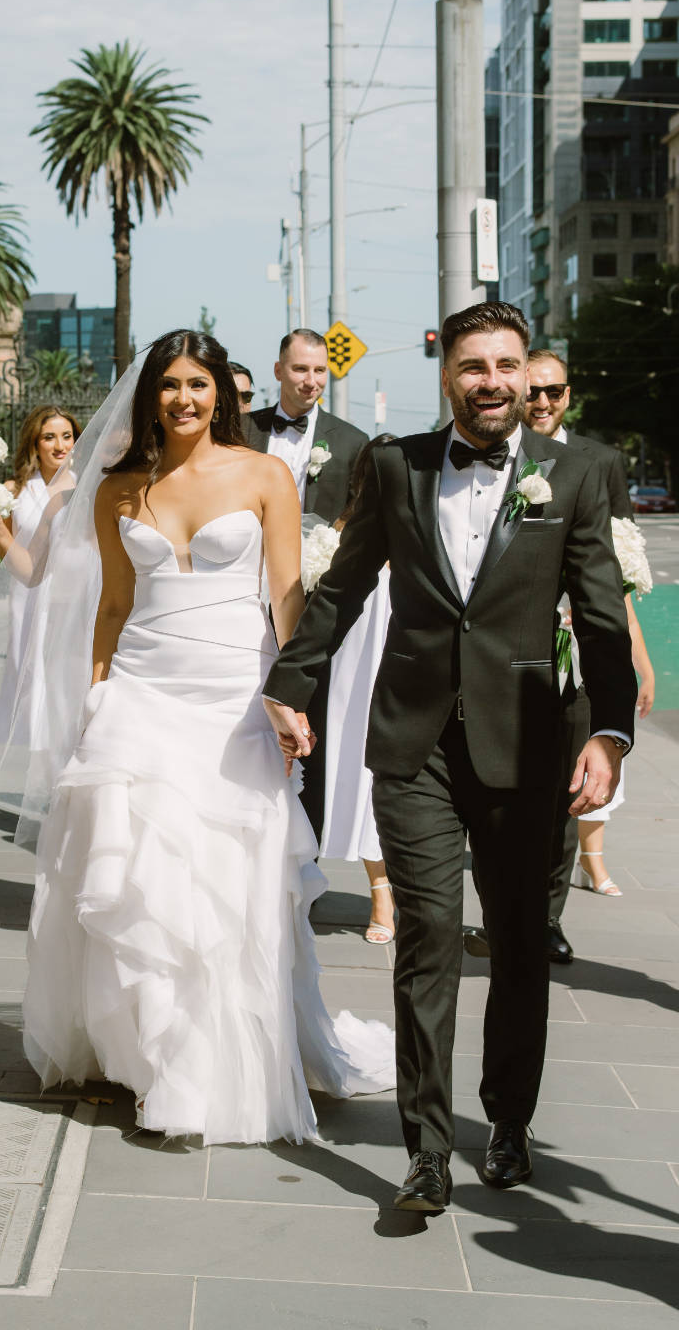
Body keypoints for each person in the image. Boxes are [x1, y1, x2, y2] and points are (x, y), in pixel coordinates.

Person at [262, 301, 636, 1213]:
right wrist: (290, 687)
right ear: (449, 376)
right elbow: (343, 587)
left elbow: (599, 615)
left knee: (514, 944)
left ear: (524, 373)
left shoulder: (574, 472)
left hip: (528, 739)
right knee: (427, 939)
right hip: (414, 740)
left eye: (507, 365)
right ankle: (426, 1148)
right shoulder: (396, 465)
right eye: (476, 366)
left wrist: (609, 731)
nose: (494, 382)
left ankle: (507, 1123)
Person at [0, 331, 394, 1144]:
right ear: (149, 397)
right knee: (134, 872)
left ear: (222, 393)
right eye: (169, 385)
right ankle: (147, 1055)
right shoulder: (117, 489)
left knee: (225, 879)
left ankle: (220, 1059)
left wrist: (292, 696)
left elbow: (286, 598)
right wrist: (97, 692)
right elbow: (111, 605)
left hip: (233, 697)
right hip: (140, 687)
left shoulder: (265, 475)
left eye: (198, 384)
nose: (183, 399)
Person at [464, 348, 654, 961]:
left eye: (555, 392)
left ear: (568, 395)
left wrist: (636, 661)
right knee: (502, 798)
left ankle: (546, 918)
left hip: (578, 657)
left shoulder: (597, 462)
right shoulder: (490, 453)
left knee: (564, 798)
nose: (542, 402)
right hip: (507, 658)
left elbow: (616, 568)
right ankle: (502, 913)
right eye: (535, 391)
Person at [244, 329, 367, 832]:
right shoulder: (239, 430)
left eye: (320, 370)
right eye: (300, 369)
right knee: (247, 714)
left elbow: (358, 520)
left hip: (313, 601)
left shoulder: (351, 441)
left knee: (308, 723)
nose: (311, 380)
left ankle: (304, 844)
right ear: (278, 371)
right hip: (242, 593)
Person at [320, 436, 396, 944]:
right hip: (353, 669)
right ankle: (381, 893)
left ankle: (404, 888)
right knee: (362, 775)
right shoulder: (339, 532)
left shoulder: (430, 528)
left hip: (407, 665)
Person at [0, 406, 81, 744]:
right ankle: (41, 749)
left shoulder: (86, 485)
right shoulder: (15, 490)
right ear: (35, 443)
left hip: (74, 596)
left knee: (69, 677)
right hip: (28, 592)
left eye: (67, 436)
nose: (60, 446)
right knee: (30, 672)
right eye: (49, 437)